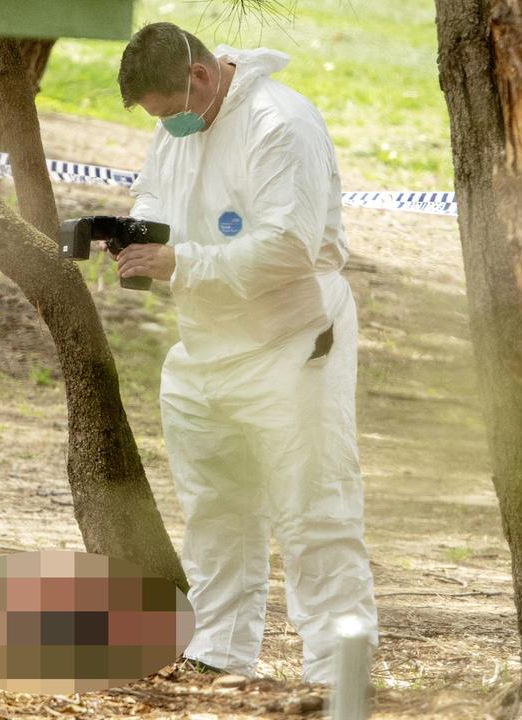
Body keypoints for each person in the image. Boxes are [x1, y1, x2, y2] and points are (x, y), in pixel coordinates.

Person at [112, 22, 378, 684]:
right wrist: (133, 234)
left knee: (314, 506)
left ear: (200, 76)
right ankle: (219, 647)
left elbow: (288, 245)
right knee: (216, 504)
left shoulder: (279, 124)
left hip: (291, 339)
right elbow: (155, 192)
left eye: (170, 112)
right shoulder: (180, 122)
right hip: (206, 344)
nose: (167, 126)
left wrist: (181, 261)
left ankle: (337, 673)